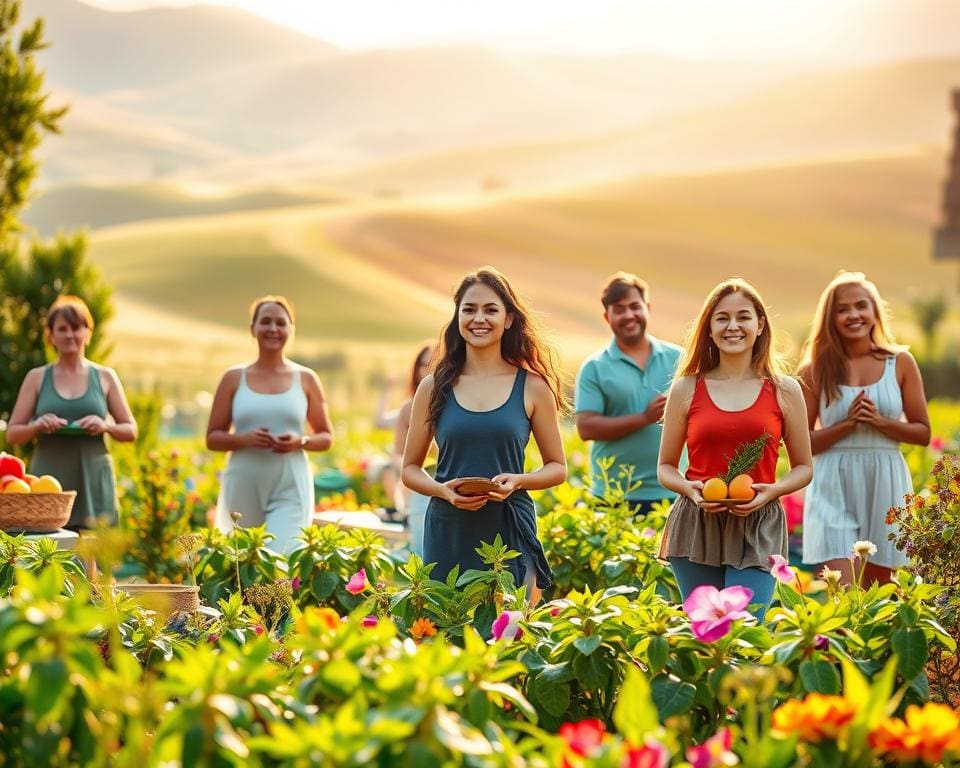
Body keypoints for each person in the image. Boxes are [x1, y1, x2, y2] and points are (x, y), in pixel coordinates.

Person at [401, 267, 566, 602]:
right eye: (469, 309)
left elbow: (557, 467)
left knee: (504, 636)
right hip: (448, 526)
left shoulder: (532, 387)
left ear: (508, 320)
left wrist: (518, 481)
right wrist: (443, 491)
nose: (479, 318)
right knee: (447, 634)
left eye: (491, 309)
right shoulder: (433, 387)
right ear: (457, 317)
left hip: (507, 529)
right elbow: (410, 470)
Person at [657, 278, 813, 615]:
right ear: (709, 329)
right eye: (722, 318)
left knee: (744, 627)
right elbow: (665, 467)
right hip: (697, 524)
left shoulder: (785, 390)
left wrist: (772, 490)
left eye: (743, 317)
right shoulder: (685, 388)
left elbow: (804, 467)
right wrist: (690, 488)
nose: (733, 326)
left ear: (760, 324)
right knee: (705, 637)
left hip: (759, 524)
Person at [797, 272, 930, 586]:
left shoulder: (900, 362)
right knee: (841, 590)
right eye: (842, 309)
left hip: (886, 481)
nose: (853, 314)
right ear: (831, 318)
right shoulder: (814, 370)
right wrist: (848, 424)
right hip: (832, 484)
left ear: (874, 312)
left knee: (882, 593)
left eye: (861, 306)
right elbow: (802, 444)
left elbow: (923, 433)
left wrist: (878, 422)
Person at [207, 296, 333, 555]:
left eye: (280, 322)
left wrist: (301, 442)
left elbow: (326, 436)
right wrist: (243, 440)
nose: (273, 329)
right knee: (244, 561)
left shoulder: (306, 379)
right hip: (243, 483)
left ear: (291, 329)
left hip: (290, 484)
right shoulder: (233, 378)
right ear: (252, 328)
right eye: (265, 321)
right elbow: (212, 437)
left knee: (283, 557)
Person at [6, 295, 137, 529]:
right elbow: (13, 434)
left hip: (94, 481)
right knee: (47, 556)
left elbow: (130, 430)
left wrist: (105, 425)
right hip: (47, 484)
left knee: (96, 559)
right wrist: (37, 425)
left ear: (88, 332)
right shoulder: (36, 378)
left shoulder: (105, 376)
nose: (70, 335)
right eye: (62, 329)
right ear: (51, 336)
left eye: (76, 328)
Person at [575, 272, 682, 514]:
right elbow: (586, 428)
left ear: (648, 308)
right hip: (613, 496)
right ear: (607, 317)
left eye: (635, 306)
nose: (629, 315)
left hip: (673, 490)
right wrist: (644, 418)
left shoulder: (680, 359)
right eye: (619, 309)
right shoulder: (595, 367)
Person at [391, 343, 436, 557]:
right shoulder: (407, 410)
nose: (428, 370)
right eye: (423, 365)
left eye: (434, 364)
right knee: (421, 553)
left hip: (457, 486)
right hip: (422, 487)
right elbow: (399, 455)